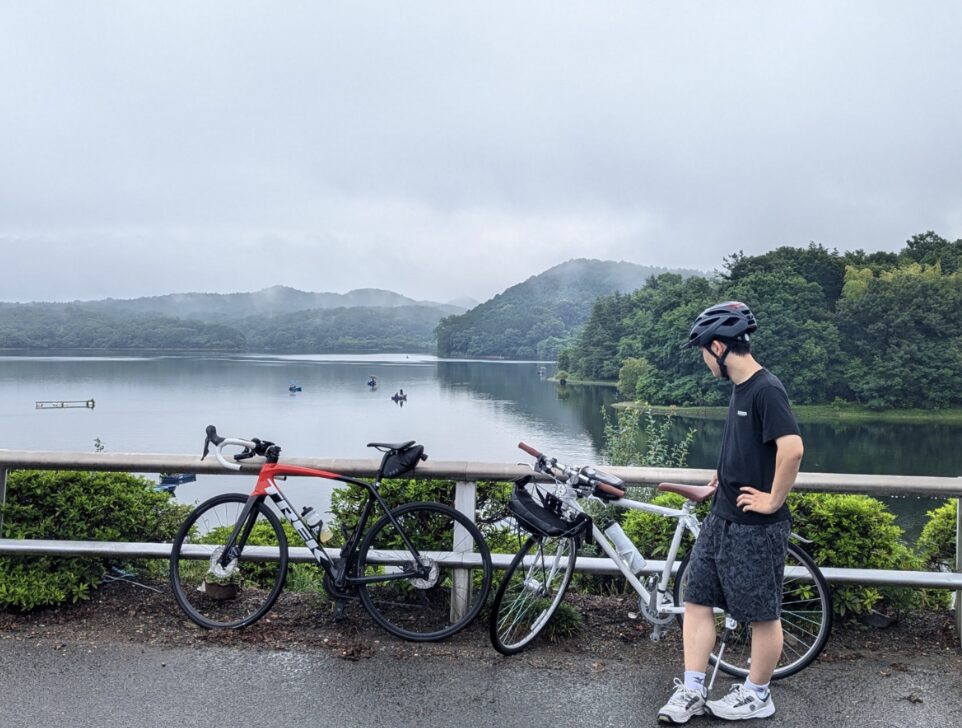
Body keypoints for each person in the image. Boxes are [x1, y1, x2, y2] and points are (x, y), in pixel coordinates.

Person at [658, 301, 804, 724]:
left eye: (704, 352)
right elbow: (750, 448)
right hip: (721, 517)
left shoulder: (765, 388)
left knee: (762, 613)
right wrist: (723, 476)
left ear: (718, 347)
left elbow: (792, 449)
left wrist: (773, 500)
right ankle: (691, 691)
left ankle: (758, 695)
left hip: (755, 526)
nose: (705, 361)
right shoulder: (741, 389)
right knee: (697, 599)